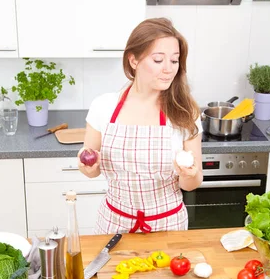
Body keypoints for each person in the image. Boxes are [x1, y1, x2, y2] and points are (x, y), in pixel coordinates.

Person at [77, 17, 203, 234]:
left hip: (169, 226)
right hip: (113, 225)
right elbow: (91, 170)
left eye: (174, 61)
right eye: (158, 60)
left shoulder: (184, 110)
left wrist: (189, 174)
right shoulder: (103, 106)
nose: (168, 69)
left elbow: (192, 183)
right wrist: (87, 166)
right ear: (133, 60)